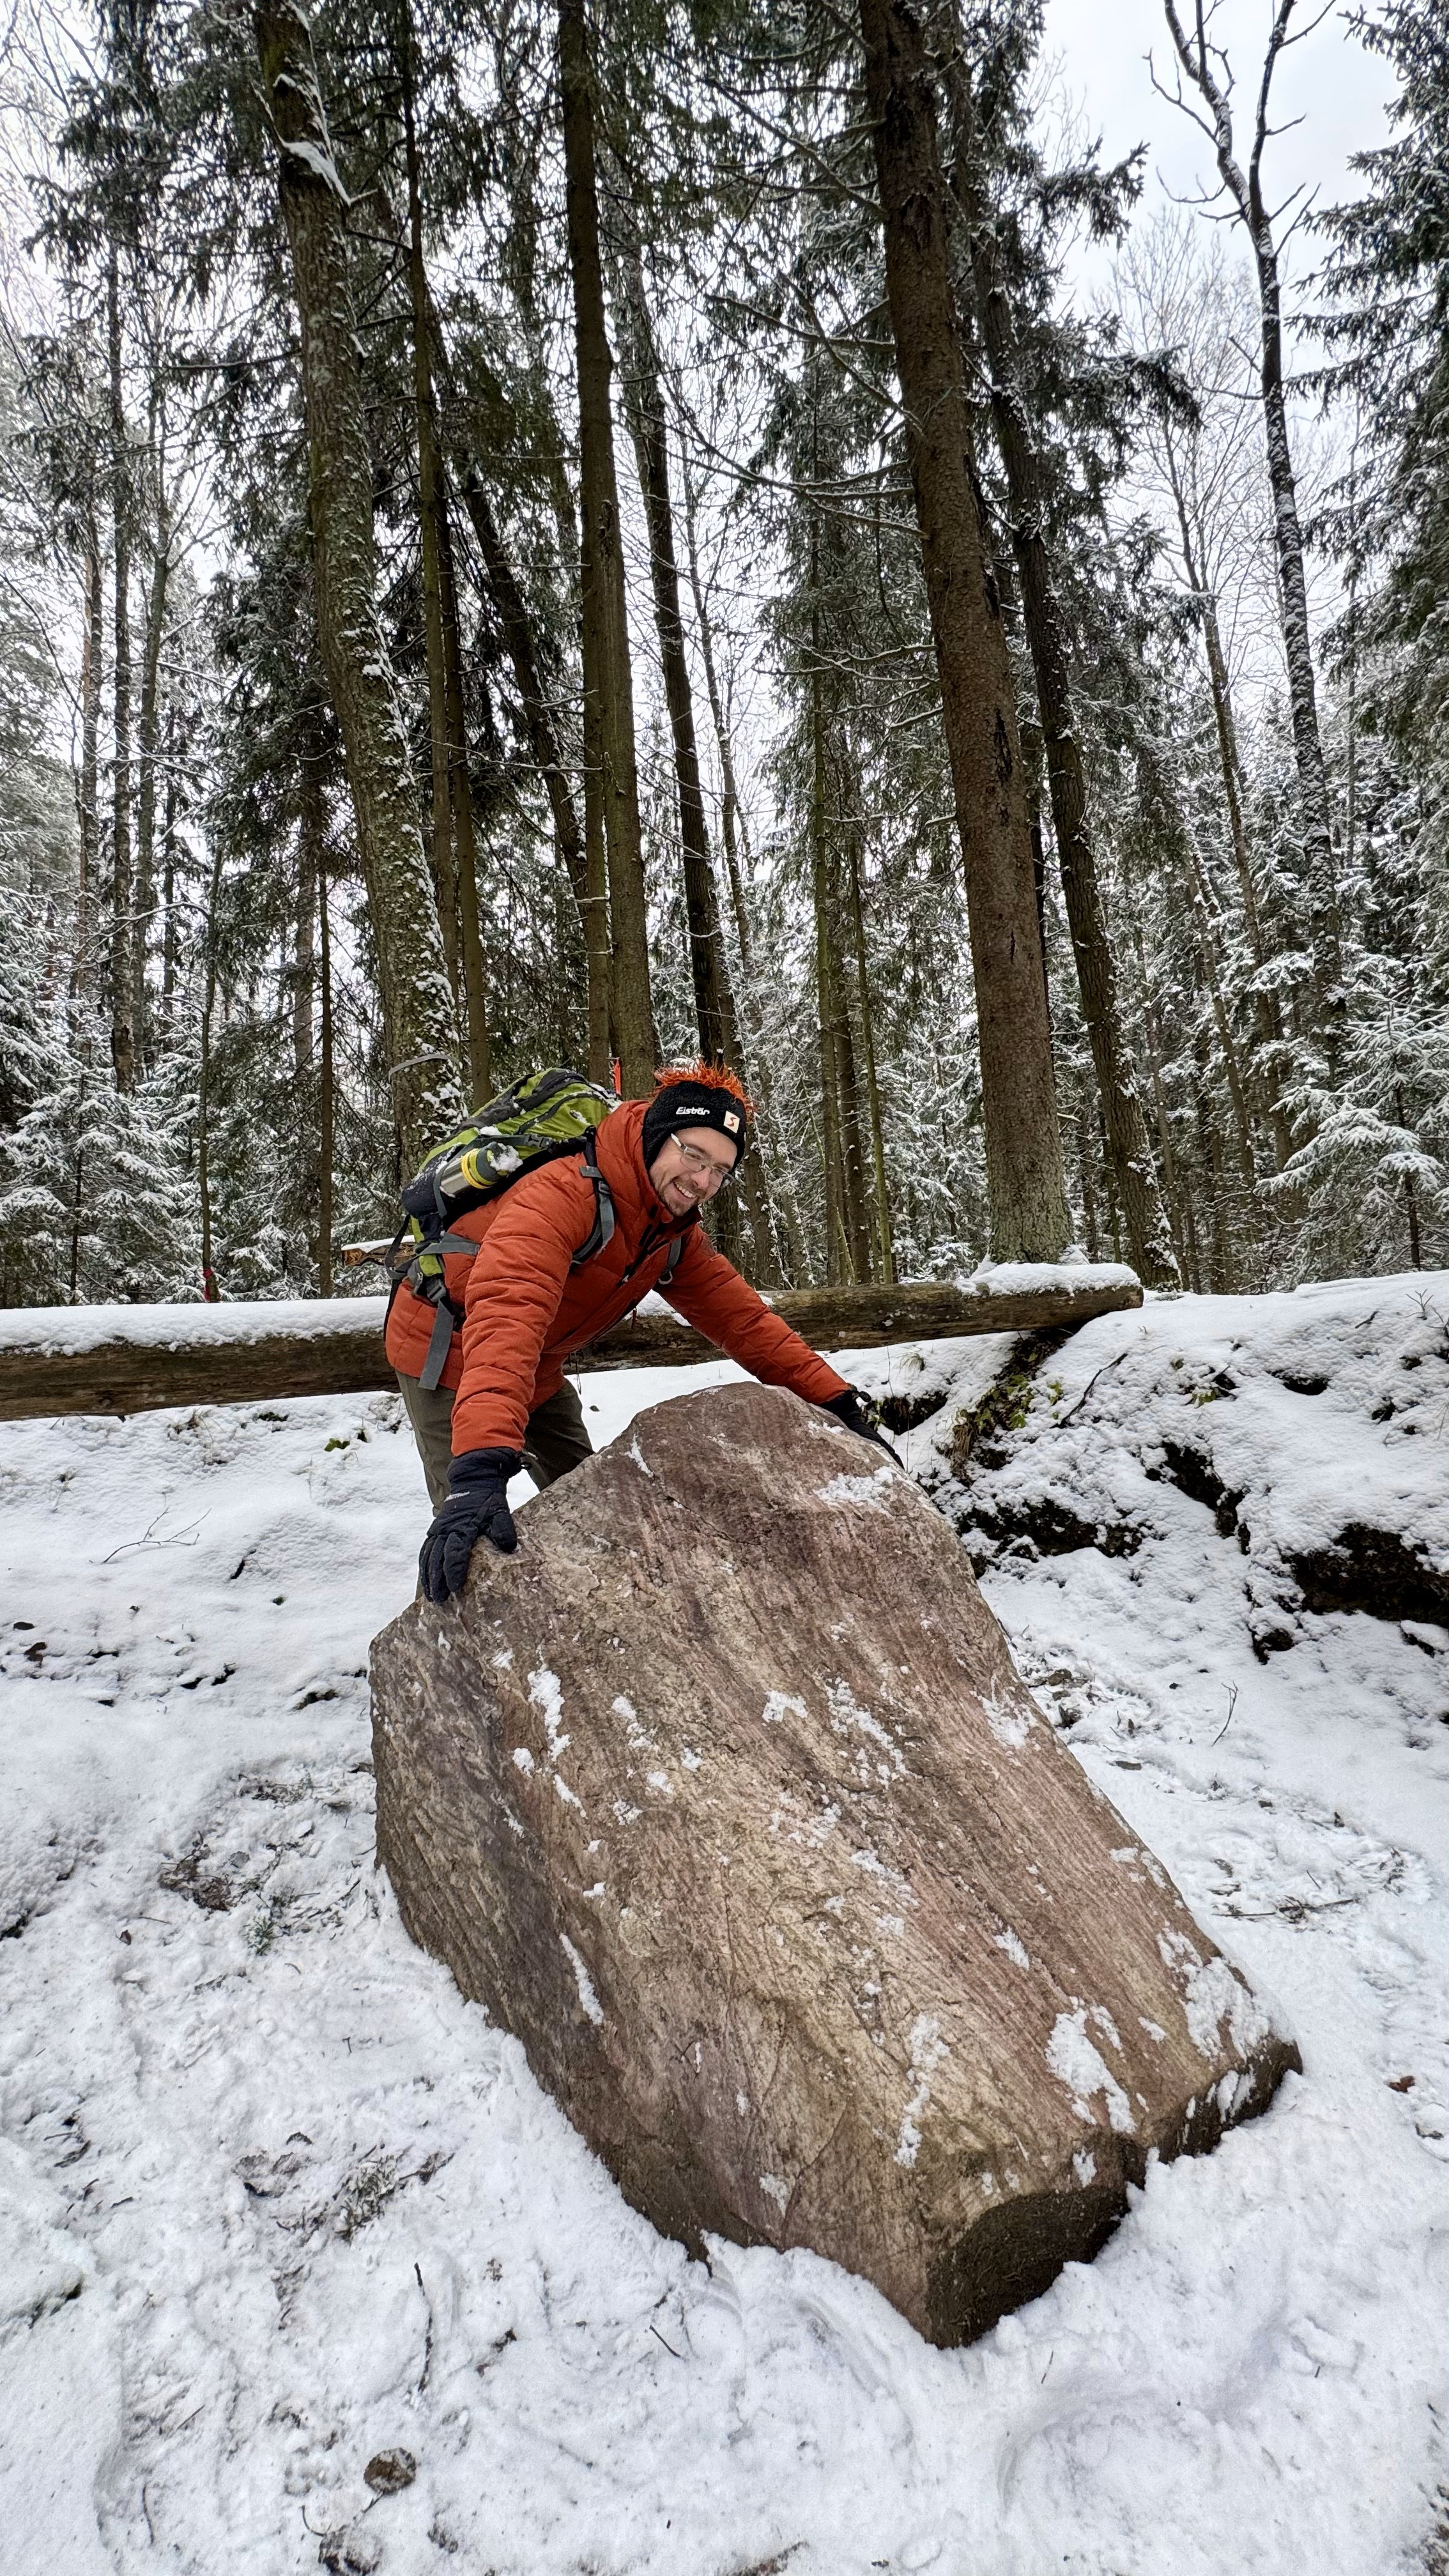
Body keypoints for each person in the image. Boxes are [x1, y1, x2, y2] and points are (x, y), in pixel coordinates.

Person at [384, 1062, 893, 1604]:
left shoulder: (665, 1228)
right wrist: (478, 1470)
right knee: (470, 1537)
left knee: (583, 1495)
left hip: (538, 1363)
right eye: (693, 1155)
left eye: (720, 1170)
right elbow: (507, 1318)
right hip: (449, 1354)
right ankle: (455, 1657)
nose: (702, 1181)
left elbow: (744, 1321)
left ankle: (598, 1617)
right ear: (655, 1138)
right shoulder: (560, 1197)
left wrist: (837, 1403)